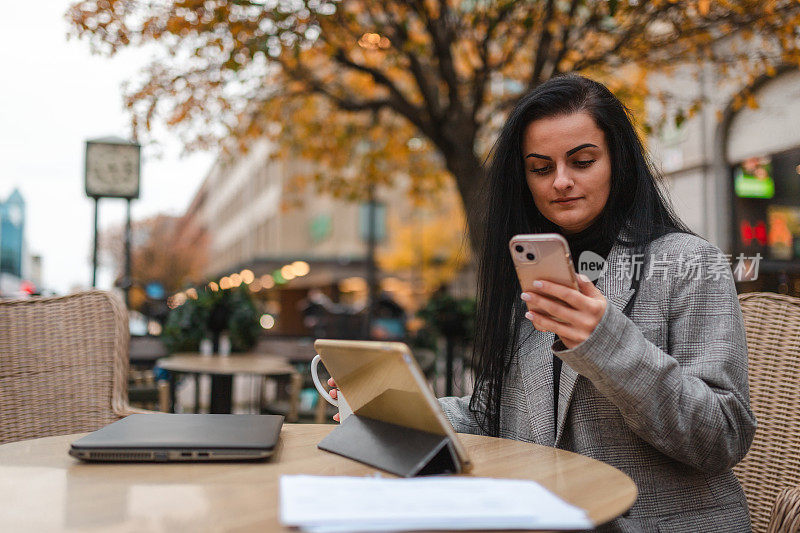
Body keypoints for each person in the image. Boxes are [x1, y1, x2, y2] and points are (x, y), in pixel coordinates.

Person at [330, 74, 756, 532]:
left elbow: (722, 437)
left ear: (619, 161)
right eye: (540, 168)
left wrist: (606, 342)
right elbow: (494, 414)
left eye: (583, 160)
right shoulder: (535, 272)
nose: (561, 182)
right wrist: (392, 408)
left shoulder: (689, 263)